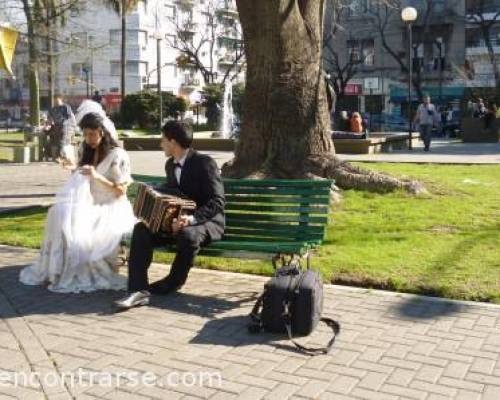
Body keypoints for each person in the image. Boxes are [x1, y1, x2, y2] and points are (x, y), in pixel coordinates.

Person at [19, 105, 136, 293]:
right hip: (89, 202)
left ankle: (74, 267)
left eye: (92, 134)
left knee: (70, 218)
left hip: (111, 205)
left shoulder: (118, 155)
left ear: (103, 133)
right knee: (57, 211)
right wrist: (73, 168)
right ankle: (56, 269)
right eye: (86, 134)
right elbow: (83, 177)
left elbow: (120, 191)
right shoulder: (86, 149)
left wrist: (97, 176)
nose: (88, 139)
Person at [114, 120, 225, 310]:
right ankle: (137, 290)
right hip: (176, 221)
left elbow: (217, 202)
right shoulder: (169, 165)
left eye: (163, 140)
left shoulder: (205, 163)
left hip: (206, 222)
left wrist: (190, 219)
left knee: (187, 234)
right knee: (142, 229)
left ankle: (173, 282)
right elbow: (175, 194)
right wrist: (154, 205)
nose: (160, 144)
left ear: (173, 142)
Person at [48, 95, 77, 162]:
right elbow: (49, 119)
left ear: (61, 100)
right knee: (55, 141)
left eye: (57, 100)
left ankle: (60, 157)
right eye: (54, 100)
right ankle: (65, 157)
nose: (55, 102)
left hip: (68, 126)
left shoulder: (65, 107)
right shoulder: (52, 109)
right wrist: (49, 123)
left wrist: (63, 125)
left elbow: (69, 118)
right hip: (58, 126)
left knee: (63, 141)